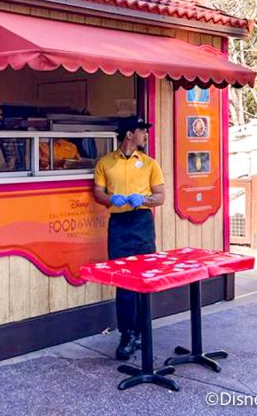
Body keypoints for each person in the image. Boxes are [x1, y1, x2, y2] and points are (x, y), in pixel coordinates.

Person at [93, 116, 165, 361]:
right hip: (118, 225)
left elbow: (161, 196)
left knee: (144, 278)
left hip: (142, 222)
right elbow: (98, 192)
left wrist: (143, 199)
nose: (146, 135)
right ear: (129, 134)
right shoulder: (105, 163)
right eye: (142, 130)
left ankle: (143, 331)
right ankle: (127, 335)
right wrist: (109, 199)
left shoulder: (150, 164)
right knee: (124, 281)